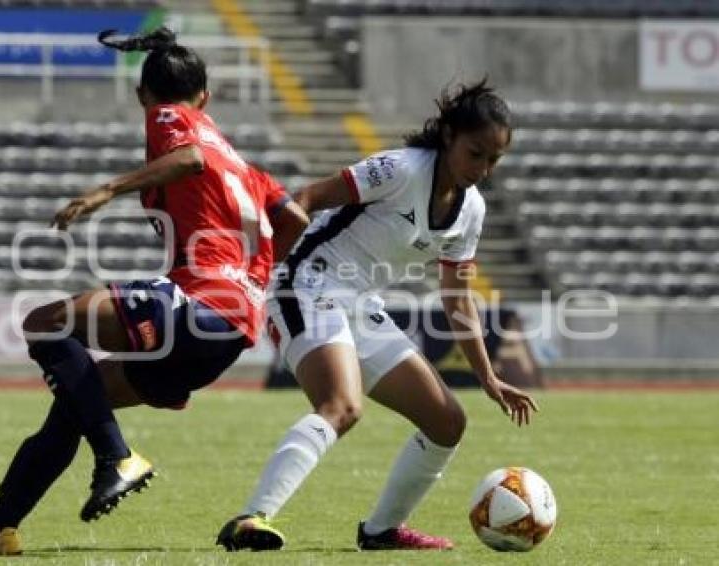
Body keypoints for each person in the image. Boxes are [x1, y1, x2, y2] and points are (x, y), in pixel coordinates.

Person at [0, 27, 309, 556]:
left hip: (198, 305)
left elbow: (189, 159)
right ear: (208, 93)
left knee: (45, 323)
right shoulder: (248, 170)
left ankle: (116, 457)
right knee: (75, 402)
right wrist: (254, 280)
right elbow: (293, 216)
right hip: (228, 334)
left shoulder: (172, 117)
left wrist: (103, 191)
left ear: (144, 97)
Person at [217, 79, 539, 552]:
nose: (483, 169)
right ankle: (251, 518)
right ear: (449, 135)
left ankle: (382, 531)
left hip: (360, 303)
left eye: (494, 160)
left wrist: (488, 377)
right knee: (342, 407)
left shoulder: (471, 209)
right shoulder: (401, 169)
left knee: (447, 421)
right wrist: (258, 275)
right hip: (305, 284)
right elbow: (305, 198)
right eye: (477, 154)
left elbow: (457, 297)